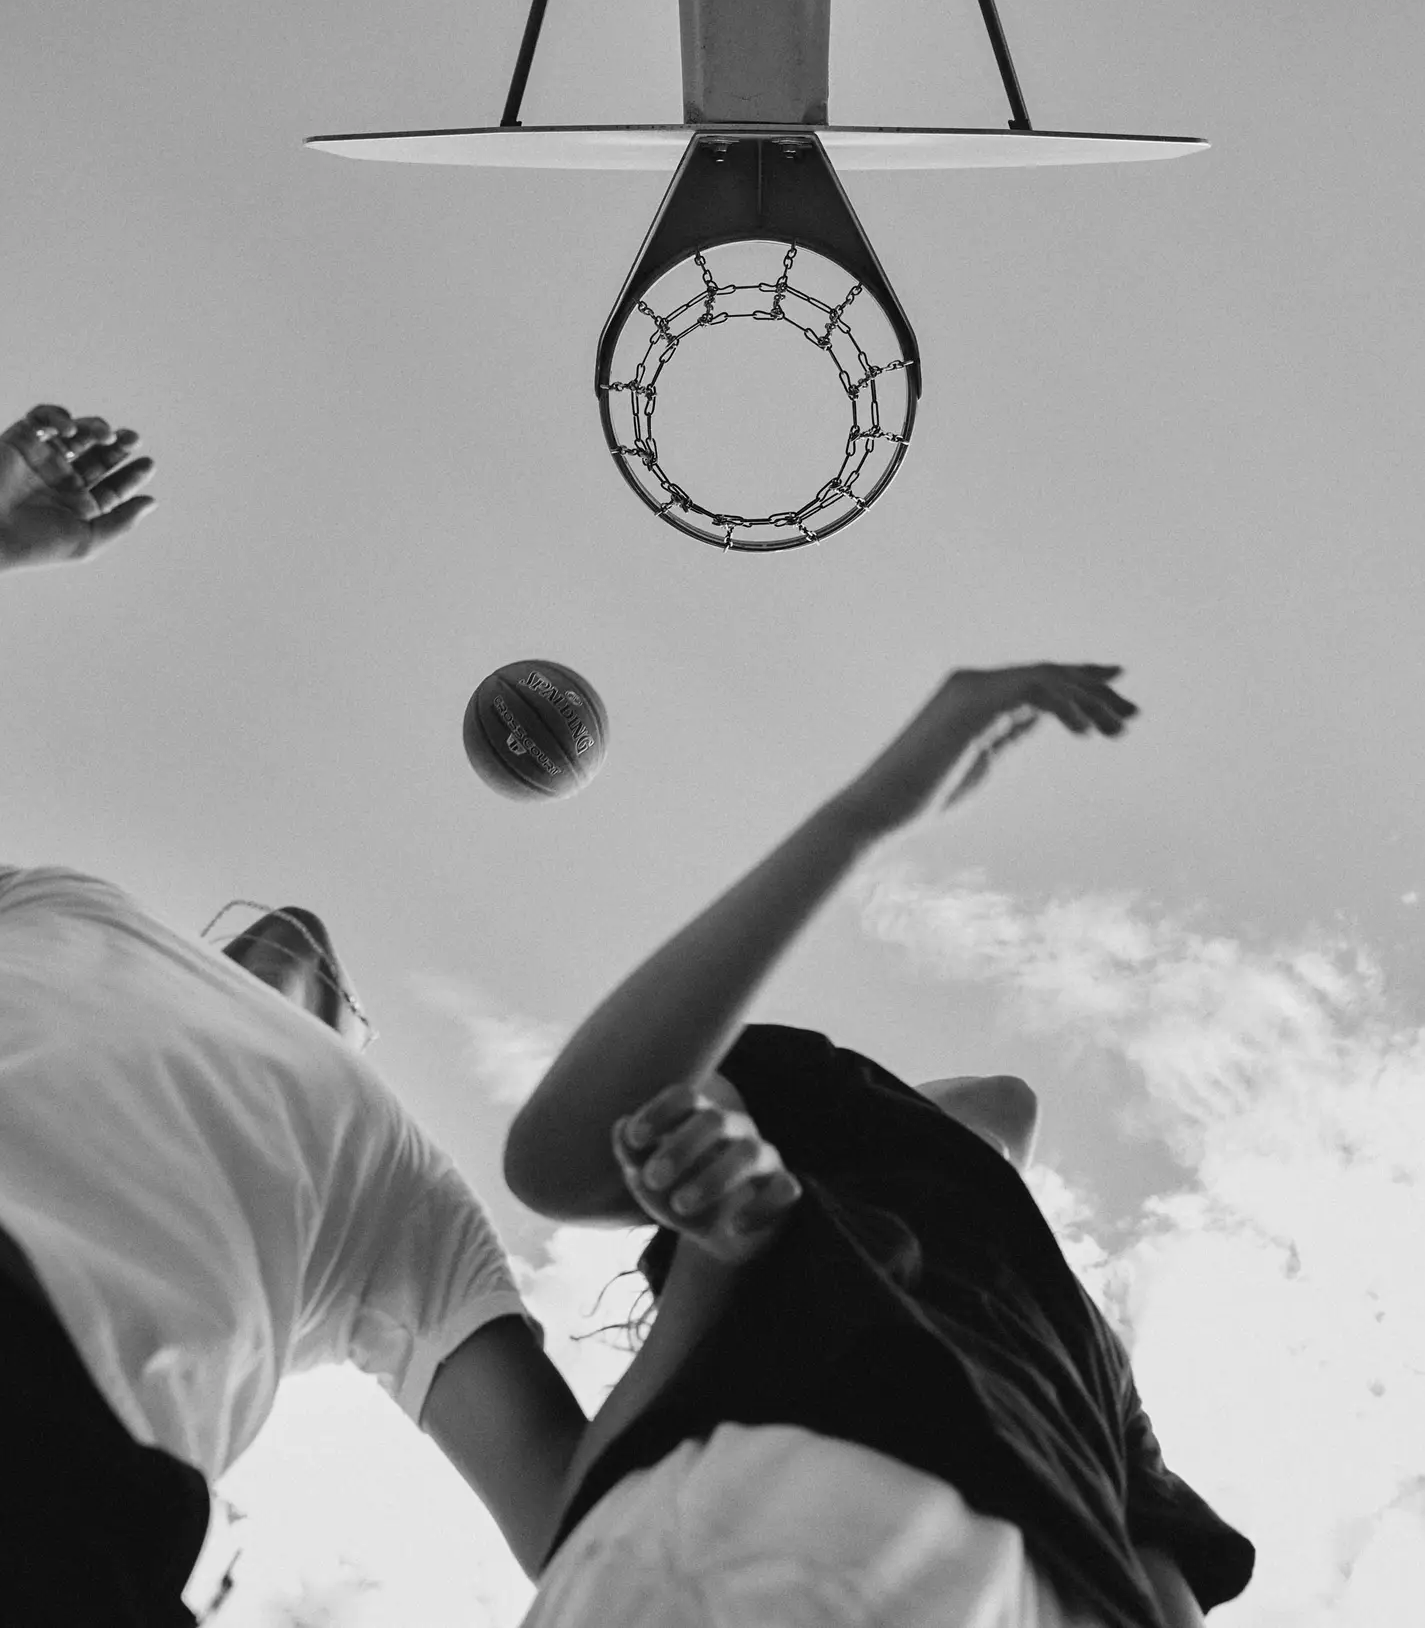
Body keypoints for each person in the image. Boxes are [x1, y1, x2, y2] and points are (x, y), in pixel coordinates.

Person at [0, 404, 792, 1628]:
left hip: (13, 1457)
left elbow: (577, 1525)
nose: (290, 936)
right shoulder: (33, 903)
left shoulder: (395, 1182)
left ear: (354, 1050)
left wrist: (722, 1262)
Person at [504, 663, 1258, 1628]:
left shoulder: (1083, 1349)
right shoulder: (811, 1106)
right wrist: (864, 814)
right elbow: (557, 1161)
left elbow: (1159, 1576)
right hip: (796, 1515)